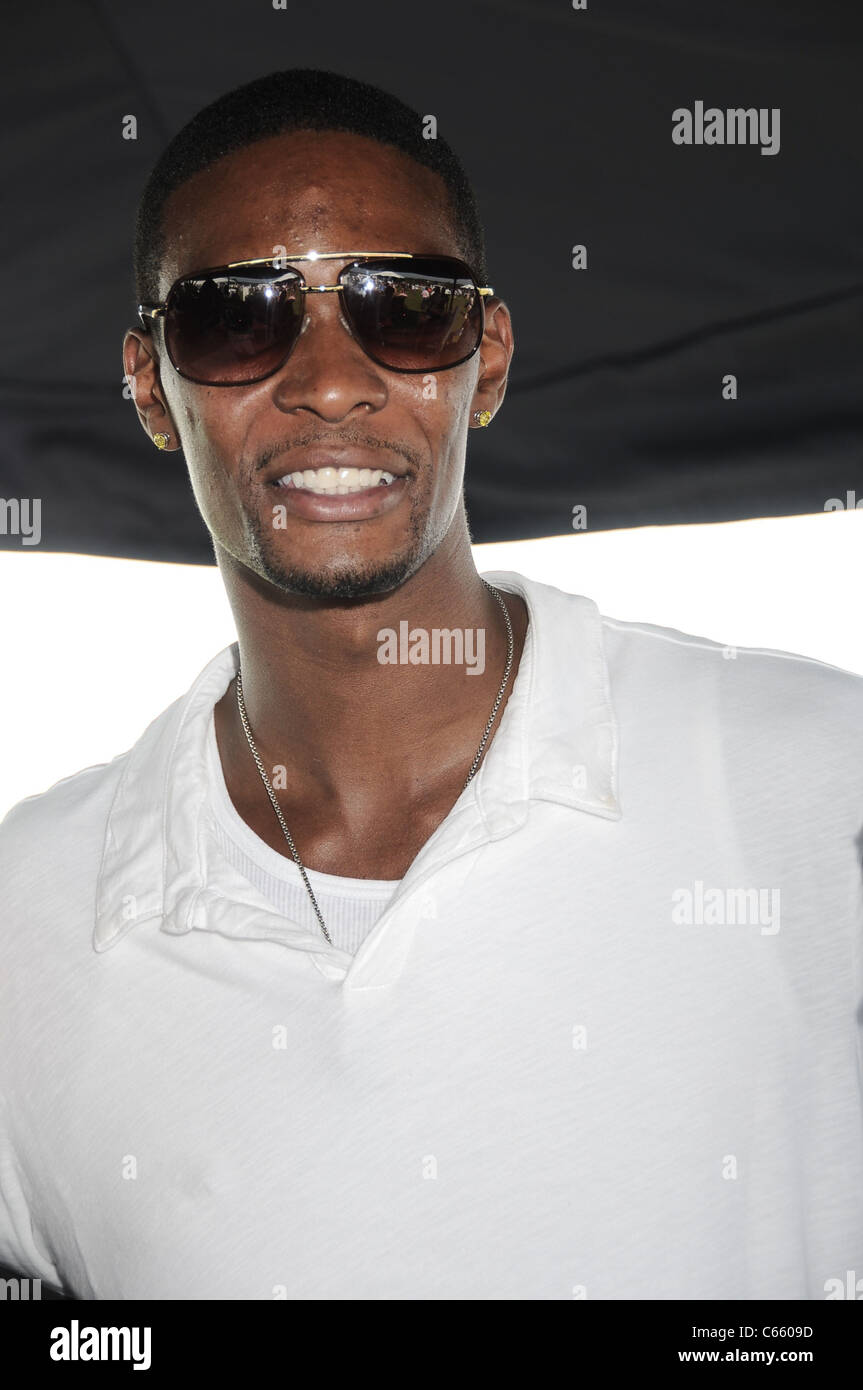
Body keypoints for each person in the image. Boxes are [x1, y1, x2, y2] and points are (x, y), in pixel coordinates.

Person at [1, 67, 861, 1302]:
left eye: (403, 307)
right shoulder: (25, 928)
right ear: (150, 383)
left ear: (486, 358)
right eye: (238, 316)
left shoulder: (821, 789)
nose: (330, 378)